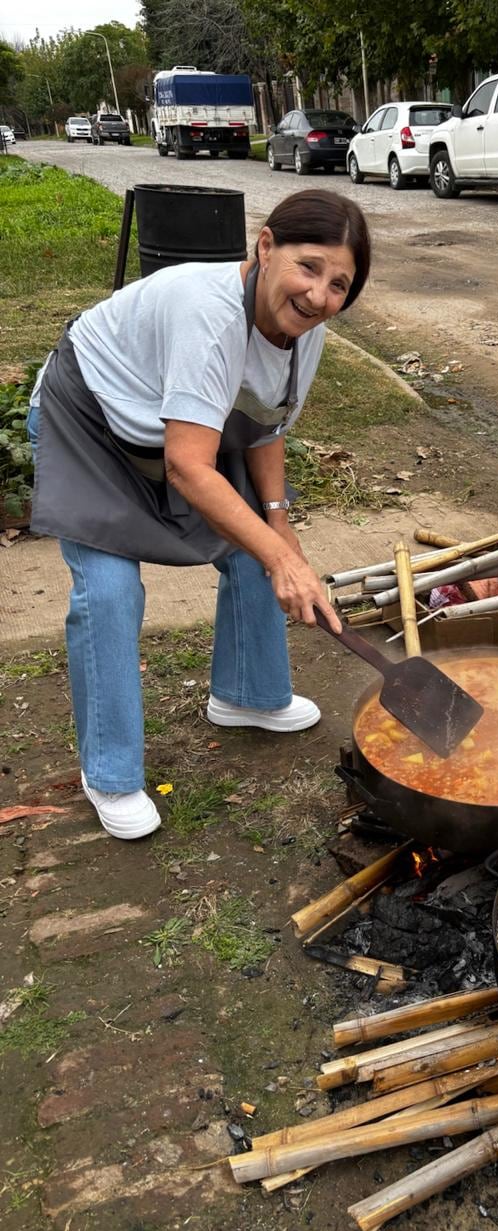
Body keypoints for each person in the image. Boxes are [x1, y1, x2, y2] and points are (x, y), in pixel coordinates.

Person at [26, 190, 371, 838]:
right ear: (265, 247)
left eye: (339, 283)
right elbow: (190, 467)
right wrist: (281, 557)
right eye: (310, 266)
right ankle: (108, 772)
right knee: (109, 589)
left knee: (253, 541)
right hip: (92, 419)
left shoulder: (307, 332)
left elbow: (266, 424)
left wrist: (278, 519)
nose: (320, 294)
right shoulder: (206, 311)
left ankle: (247, 694)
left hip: (171, 435)